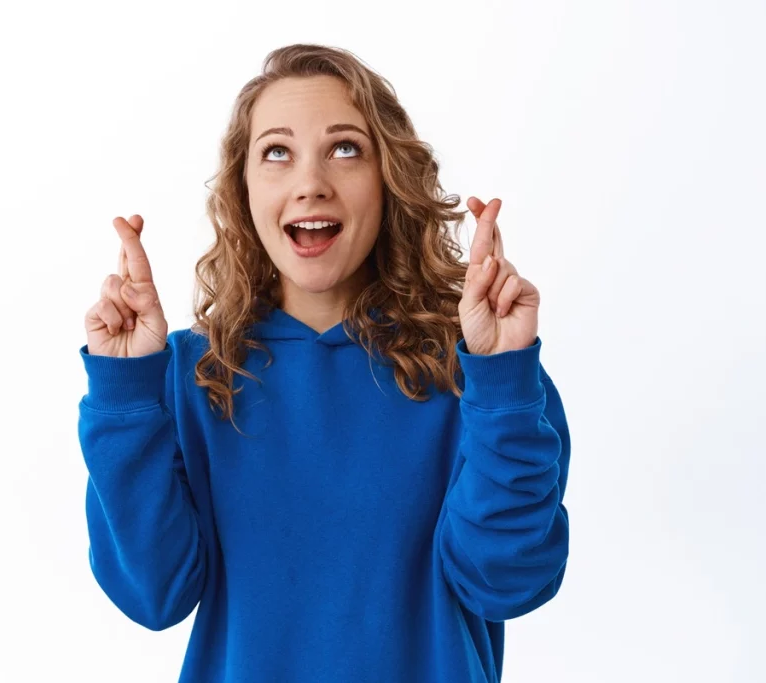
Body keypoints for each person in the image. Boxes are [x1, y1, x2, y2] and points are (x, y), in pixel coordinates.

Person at [77, 43, 570, 683]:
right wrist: (124, 393)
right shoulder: (186, 374)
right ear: (244, 188)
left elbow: (506, 582)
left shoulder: (476, 368)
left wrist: (503, 385)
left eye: (344, 149)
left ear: (388, 179)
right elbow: (153, 595)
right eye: (277, 152)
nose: (311, 181)